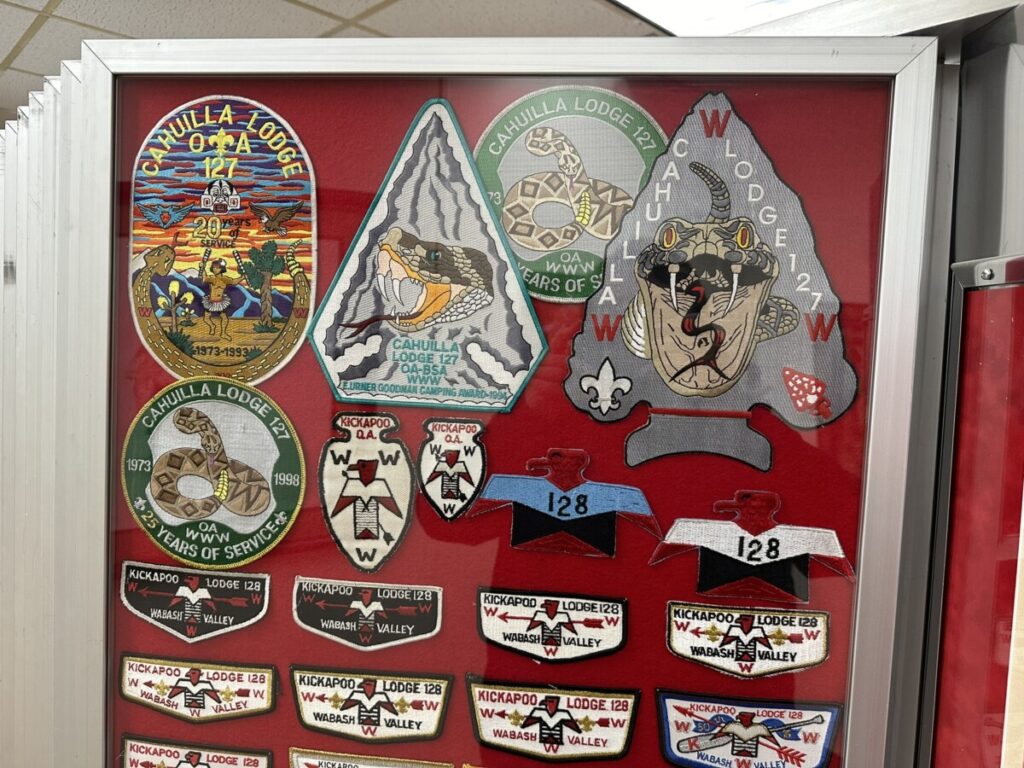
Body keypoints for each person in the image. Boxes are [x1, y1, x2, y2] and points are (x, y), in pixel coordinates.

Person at [199, 257, 242, 340]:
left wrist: (242, 277)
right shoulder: (212, 279)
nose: (215, 269)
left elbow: (234, 282)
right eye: (213, 267)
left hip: (220, 302)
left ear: (221, 269)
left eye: (217, 268)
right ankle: (212, 326)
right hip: (211, 302)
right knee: (206, 318)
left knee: (224, 318)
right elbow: (204, 278)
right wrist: (202, 268)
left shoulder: (225, 279)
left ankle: (223, 333)